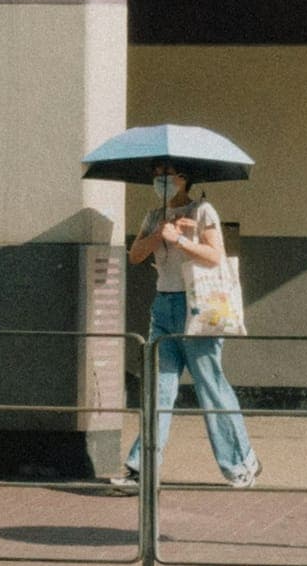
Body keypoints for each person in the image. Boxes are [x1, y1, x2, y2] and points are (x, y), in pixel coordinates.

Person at [110, 162, 260, 490]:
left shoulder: (203, 211)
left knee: (210, 384)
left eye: (167, 173)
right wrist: (159, 233)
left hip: (197, 305)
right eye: (156, 174)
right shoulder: (153, 216)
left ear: (184, 178)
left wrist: (179, 239)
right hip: (163, 306)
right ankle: (142, 468)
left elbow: (215, 255)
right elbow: (135, 255)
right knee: (159, 389)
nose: (160, 179)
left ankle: (241, 462)